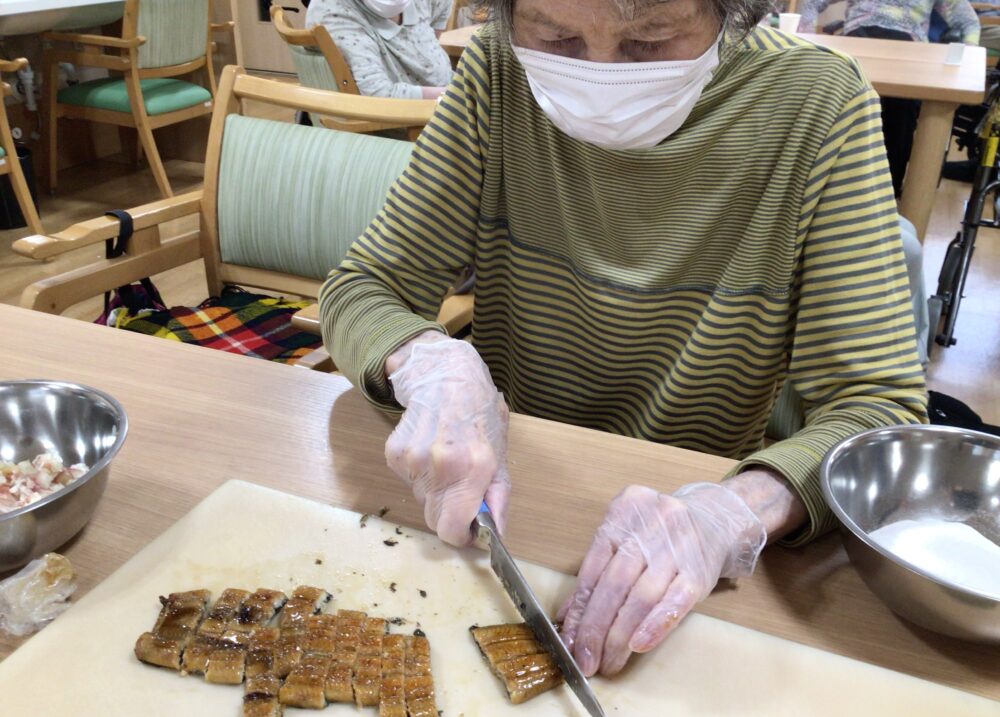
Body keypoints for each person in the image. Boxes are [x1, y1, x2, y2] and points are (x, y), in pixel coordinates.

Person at [319, 0, 928, 678]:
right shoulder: (498, 70)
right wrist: (429, 362)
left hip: (689, 543)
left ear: (735, 14)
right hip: (516, 498)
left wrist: (730, 514)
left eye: (650, 41)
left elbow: (878, 408)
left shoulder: (817, 104)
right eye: (555, 37)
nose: (600, 77)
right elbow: (364, 286)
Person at [798, 0, 980, 196]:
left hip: (908, 48)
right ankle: (826, 188)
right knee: (839, 104)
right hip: (858, 41)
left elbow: (968, 22)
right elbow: (811, 3)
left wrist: (966, 60)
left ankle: (887, 191)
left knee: (901, 110)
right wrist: (810, 45)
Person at [305, 0, 455, 99]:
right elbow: (377, 93)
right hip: (408, 124)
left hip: (446, 104)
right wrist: (457, 97)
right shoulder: (334, 10)